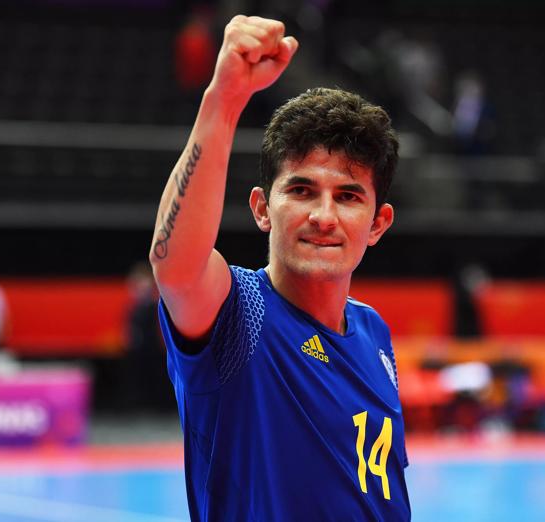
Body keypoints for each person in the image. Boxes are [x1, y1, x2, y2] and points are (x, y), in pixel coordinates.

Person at [149, 15, 410, 521]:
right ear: (262, 208)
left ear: (378, 224)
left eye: (349, 196)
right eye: (301, 189)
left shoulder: (373, 330)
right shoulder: (239, 314)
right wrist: (223, 100)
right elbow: (175, 267)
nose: (323, 215)